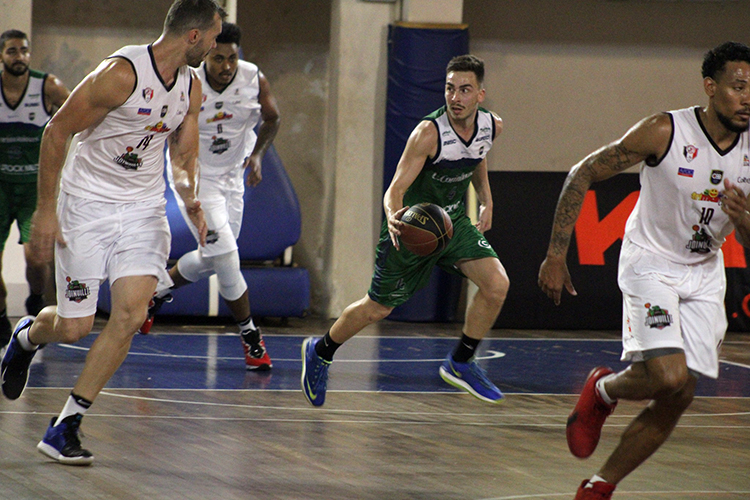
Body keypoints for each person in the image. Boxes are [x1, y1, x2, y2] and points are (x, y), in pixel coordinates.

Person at [0, 0, 225, 465]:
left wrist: (190, 199)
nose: (216, 44)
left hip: (143, 211)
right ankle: (27, 337)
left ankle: (66, 424)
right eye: (214, 36)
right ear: (194, 36)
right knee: (75, 327)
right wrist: (46, 209)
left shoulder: (191, 87)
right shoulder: (122, 73)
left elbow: (184, 158)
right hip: (86, 204)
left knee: (130, 314)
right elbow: (57, 132)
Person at [537, 41, 750, 499]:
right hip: (650, 261)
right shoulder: (664, 130)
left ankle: (599, 486)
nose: (747, 97)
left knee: (680, 394)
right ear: (711, 87)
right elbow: (582, 172)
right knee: (668, 377)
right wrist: (556, 254)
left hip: (704, 270)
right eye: (738, 87)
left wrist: (745, 219)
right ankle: (603, 391)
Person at [301, 54, 509, 407]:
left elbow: (477, 156)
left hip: (453, 222)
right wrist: (393, 216)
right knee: (377, 309)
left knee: (497, 285)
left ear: (480, 95)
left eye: (464, 90)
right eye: (449, 88)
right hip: (414, 225)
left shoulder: (492, 126)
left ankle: (460, 362)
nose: (455, 97)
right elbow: (395, 188)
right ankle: (320, 351)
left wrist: (486, 200)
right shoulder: (428, 134)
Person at [139, 22, 280, 371]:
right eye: (218, 59)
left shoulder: (254, 78)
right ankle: (251, 337)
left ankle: (154, 294)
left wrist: (258, 155)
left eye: (232, 59)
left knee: (212, 258)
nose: (226, 66)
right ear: (207, 55)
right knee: (227, 256)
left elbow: (273, 118)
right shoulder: (188, 82)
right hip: (197, 179)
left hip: (233, 180)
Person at [0, 29, 69, 349]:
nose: (20, 57)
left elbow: (78, 118)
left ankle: (36, 298)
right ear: (2, 56)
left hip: (34, 187)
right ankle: (1, 316)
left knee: (38, 258)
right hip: (1, 187)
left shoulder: (48, 86)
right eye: (12, 51)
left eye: (24, 51)